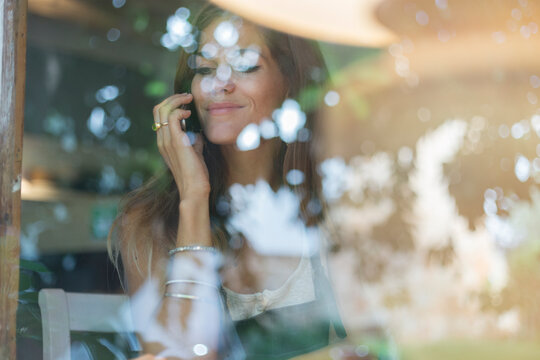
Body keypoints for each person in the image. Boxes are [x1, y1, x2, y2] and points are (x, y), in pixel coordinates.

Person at [109, 3, 346, 359]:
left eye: (246, 65)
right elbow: (177, 354)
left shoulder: (334, 201)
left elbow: (381, 342)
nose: (220, 83)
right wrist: (193, 197)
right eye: (205, 69)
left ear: (291, 82)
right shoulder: (148, 223)